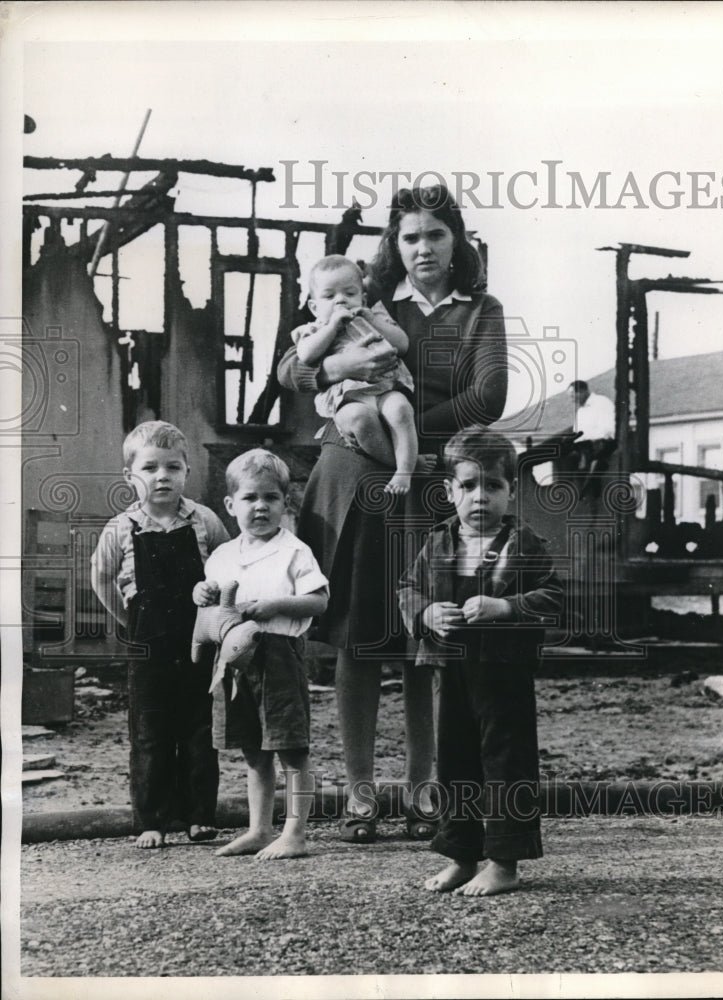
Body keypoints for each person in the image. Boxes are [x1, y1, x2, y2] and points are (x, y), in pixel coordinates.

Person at [277, 184, 507, 843]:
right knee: (357, 639)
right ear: (394, 245)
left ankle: (421, 786)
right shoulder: (365, 298)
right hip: (350, 481)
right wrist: (335, 369)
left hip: (428, 480)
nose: (423, 248)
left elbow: (487, 395)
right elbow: (290, 371)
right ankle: (356, 794)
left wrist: (394, 431)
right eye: (409, 237)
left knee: (422, 640)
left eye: (435, 235)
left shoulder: (479, 310)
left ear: (456, 240)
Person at [398, 426, 563, 896]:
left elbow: (554, 597)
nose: (480, 497)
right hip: (450, 672)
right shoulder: (437, 543)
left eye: (493, 485)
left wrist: (507, 607)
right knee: (453, 761)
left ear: (511, 490)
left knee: (505, 763)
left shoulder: (524, 544)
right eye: (468, 485)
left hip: (503, 675)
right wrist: (427, 613)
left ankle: (505, 862)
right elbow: (407, 590)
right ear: (449, 490)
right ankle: (462, 855)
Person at [91, 421, 230, 849]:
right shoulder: (120, 527)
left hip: (198, 645)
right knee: (149, 733)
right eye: (149, 467)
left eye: (173, 467)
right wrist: (127, 623)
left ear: (188, 472)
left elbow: (229, 567)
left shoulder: (204, 520)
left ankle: (198, 815)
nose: (162, 476)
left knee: (199, 730)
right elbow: (101, 577)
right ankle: (152, 820)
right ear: (130, 476)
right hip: (148, 646)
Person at [193, 449, 329, 859]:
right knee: (253, 747)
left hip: (278, 655)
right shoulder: (222, 555)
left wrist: (274, 605)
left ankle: (295, 832)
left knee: (289, 746)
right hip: (234, 660)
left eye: (271, 498)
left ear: (284, 503)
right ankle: (258, 828)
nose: (261, 507)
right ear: (231, 504)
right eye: (250, 498)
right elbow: (210, 606)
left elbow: (319, 601)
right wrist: (200, 593)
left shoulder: (294, 550)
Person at [292, 254, 421, 495]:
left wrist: (371, 319)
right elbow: (306, 355)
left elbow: (402, 344)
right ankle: (401, 464)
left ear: (362, 298)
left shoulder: (375, 316)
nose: (341, 301)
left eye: (349, 294)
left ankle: (405, 470)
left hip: (385, 387)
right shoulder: (316, 328)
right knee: (360, 420)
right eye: (330, 296)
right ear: (314, 306)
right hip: (349, 397)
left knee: (401, 409)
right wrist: (332, 327)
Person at [567, 380, 616, 476]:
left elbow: (607, 430)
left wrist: (585, 438)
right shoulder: (580, 411)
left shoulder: (602, 402)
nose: (572, 400)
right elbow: (576, 433)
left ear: (582, 391)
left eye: (573, 396)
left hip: (603, 445)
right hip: (584, 448)